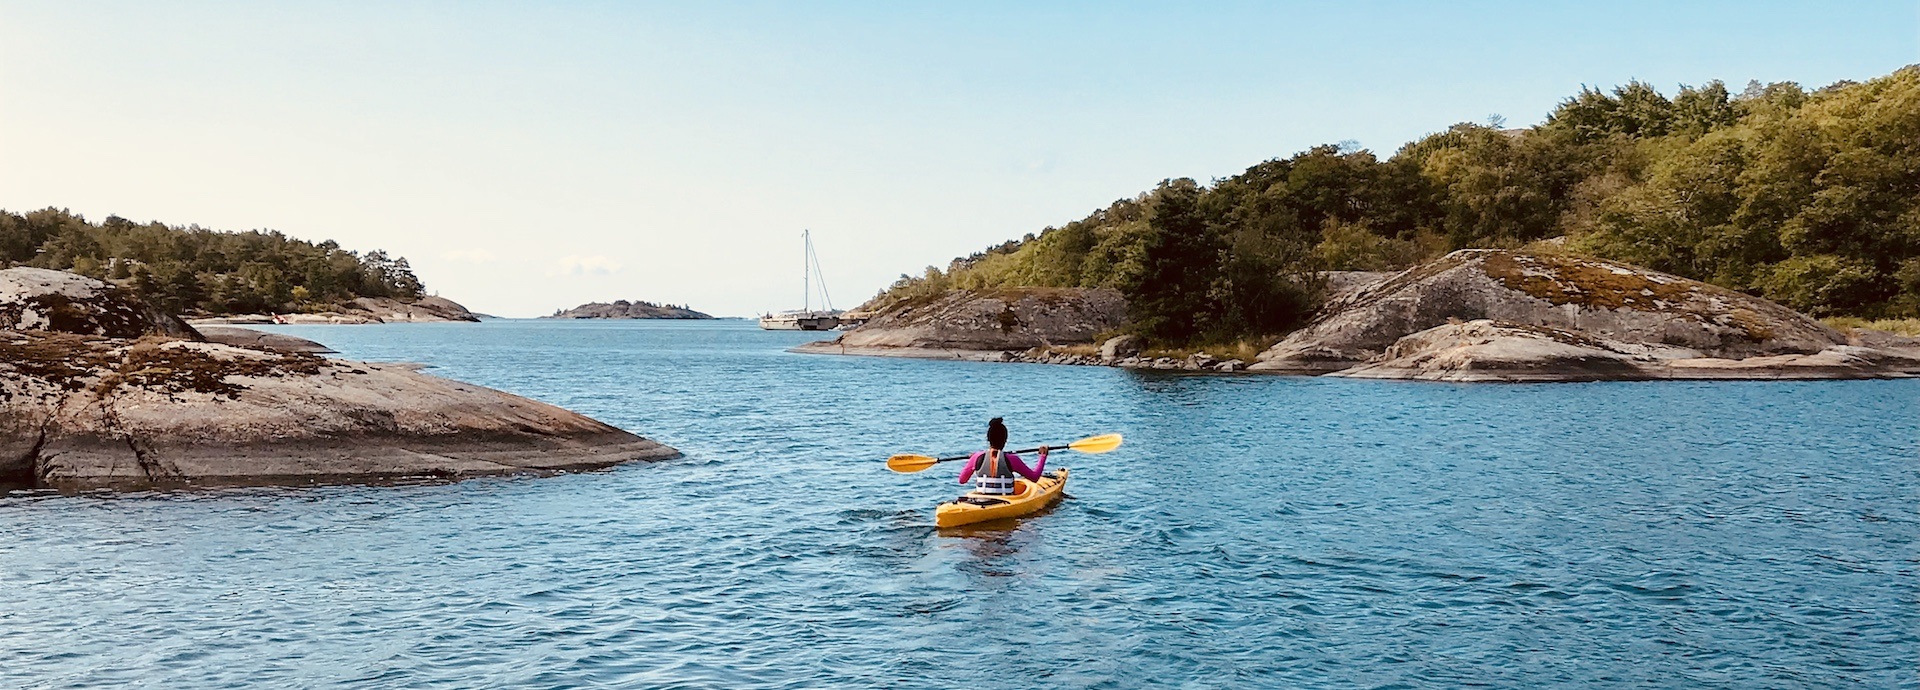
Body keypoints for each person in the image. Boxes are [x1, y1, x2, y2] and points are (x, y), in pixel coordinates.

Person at [958, 417, 1048, 496]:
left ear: (988, 439)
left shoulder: (976, 457)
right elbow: (1034, 477)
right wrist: (1043, 456)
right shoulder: (1013, 459)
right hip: (1005, 500)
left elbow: (962, 480)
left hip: (981, 500)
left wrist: (972, 460)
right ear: (1005, 440)